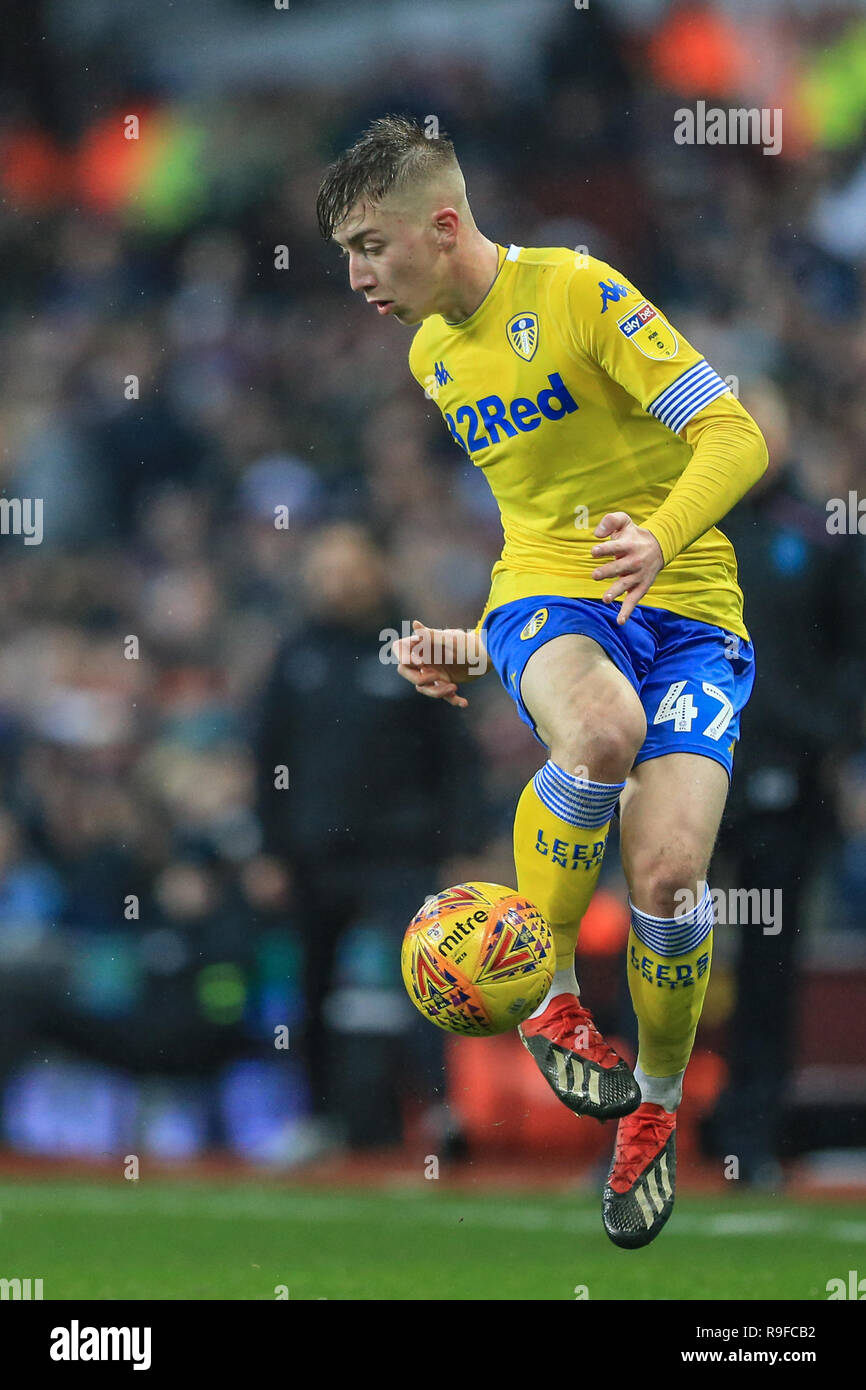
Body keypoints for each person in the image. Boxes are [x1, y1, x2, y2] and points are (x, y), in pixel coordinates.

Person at [316, 116, 768, 1247]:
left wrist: (658, 541)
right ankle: (548, 987)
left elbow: (735, 437)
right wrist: (493, 635)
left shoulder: (576, 294)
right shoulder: (429, 356)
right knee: (601, 733)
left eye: (370, 245)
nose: (357, 274)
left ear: (442, 222)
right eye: (344, 254)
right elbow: (535, 530)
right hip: (553, 606)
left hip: (690, 611)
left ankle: (655, 1108)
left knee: (666, 878)